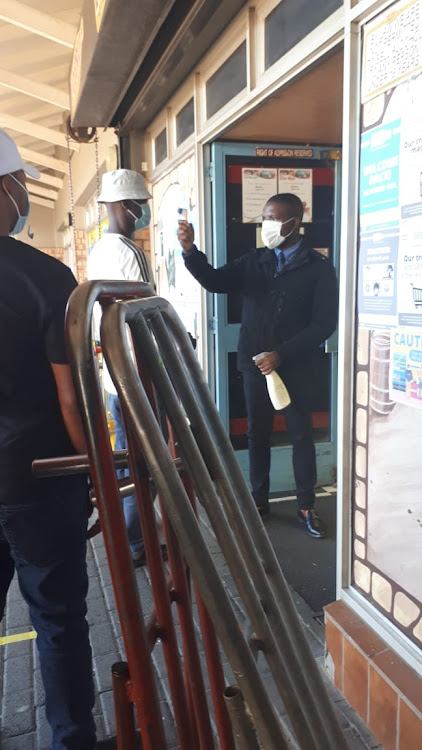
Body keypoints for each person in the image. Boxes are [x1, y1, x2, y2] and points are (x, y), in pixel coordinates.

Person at [0, 129, 96, 748]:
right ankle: (70, 739)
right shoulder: (44, 276)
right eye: (21, 183)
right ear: (6, 187)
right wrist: (92, 473)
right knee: (58, 622)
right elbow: (71, 396)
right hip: (39, 479)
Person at [178, 193, 338, 538]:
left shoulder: (318, 268)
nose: (266, 224)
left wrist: (281, 353)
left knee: (300, 435)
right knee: (257, 434)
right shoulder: (256, 261)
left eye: (274, 218)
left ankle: (307, 506)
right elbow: (216, 281)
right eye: (264, 217)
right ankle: (260, 502)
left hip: (294, 366)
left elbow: (324, 324)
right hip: (254, 365)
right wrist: (191, 252)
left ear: (295, 222)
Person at [87, 169, 155, 566]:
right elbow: (139, 318)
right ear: (124, 206)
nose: (142, 211)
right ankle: (135, 543)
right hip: (135, 378)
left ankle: (136, 539)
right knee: (142, 463)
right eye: (139, 205)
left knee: (132, 459)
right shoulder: (127, 253)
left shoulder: (99, 249)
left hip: (116, 377)